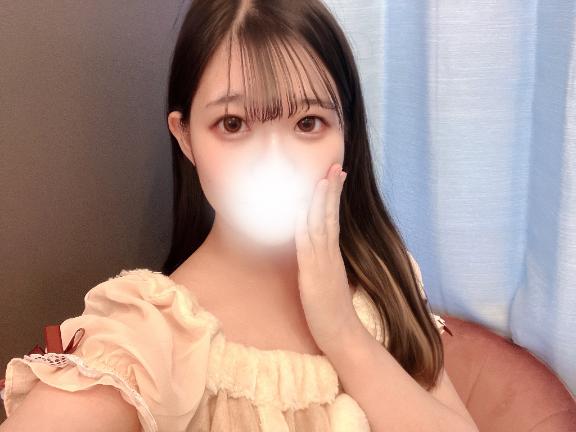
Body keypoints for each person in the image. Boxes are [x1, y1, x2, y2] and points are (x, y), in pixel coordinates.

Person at [0, 0, 477, 431]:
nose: (274, 161)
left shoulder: (381, 273)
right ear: (185, 137)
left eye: (308, 122)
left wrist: (342, 331)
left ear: (346, 132)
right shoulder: (152, 333)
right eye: (233, 123)